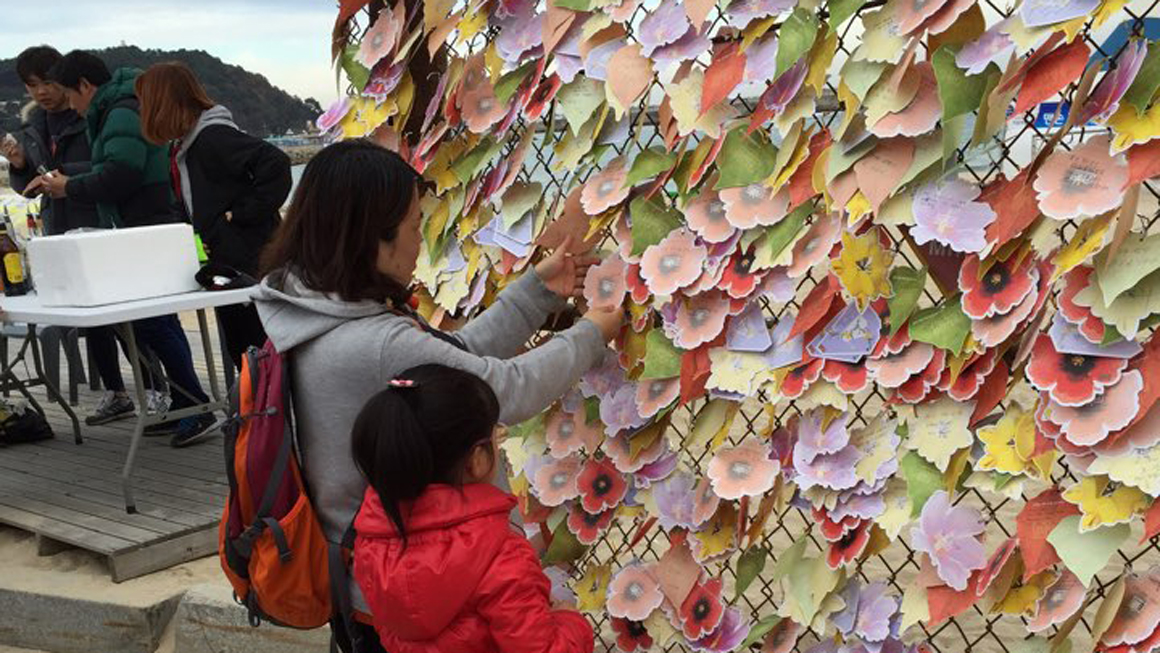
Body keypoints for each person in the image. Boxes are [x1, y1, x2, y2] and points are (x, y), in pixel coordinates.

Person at [254, 139, 622, 651]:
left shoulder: (311, 308)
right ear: (372, 241)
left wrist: (535, 293)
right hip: (420, 594)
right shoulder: (373, 341)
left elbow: (449, 358)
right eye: (412, 226)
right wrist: (593, 332)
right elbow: (502, 392)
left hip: (373, 578)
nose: (420, 243)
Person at [351, 364, 594, 653]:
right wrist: (571, 621)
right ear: (477, 459)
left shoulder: (373, 540)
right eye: (496, 434)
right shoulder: (500, 553)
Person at [42, 51, 215, 447]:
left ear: (85, 86)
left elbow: (122, 173)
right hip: (143, 226)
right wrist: (78, 176)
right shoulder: (120, 108)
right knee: (157, 323)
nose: (72, 106)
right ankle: (184, 404)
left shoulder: (119, 111)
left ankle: (197, 405)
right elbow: (118, 164)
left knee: (155, 322)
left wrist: (69, 187)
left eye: (71, 97)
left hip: (142, 229)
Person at [1, 45, 163, 426]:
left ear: (68, 83)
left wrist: (62, 177)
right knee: (85, 314)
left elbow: (113, 163)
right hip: (58, 223)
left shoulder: (91, 113)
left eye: (45, 83)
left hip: (100, 220)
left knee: (123, 313)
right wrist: (21, 166)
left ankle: (158, 387)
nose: (39, 93)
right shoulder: (34, 124)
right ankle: (115, 390)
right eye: (30, 87)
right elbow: (27, 182)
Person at [135, 62, 290, 368]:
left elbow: (276, 164)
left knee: (256, 349)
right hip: (225, 261)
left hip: (250, 261)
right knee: (244, 348)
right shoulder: (183, 147)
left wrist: (241, 214)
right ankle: (256, 413)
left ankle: (265, 414)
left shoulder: (212, 137)